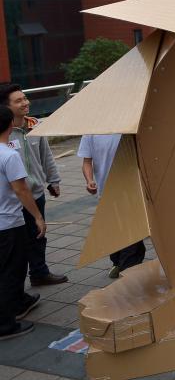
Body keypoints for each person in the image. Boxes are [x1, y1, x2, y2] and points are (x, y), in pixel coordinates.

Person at [0, 83, 67, 286]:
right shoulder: (3, 133)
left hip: (36, 193)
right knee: (17, 243)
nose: (25, 103)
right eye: (18, 101)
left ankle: (39, 273)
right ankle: (16, 290)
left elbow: (46, 156)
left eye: (25, 98)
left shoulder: (34, 125)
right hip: (13, 199)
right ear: (6, 107)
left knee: (39, 235)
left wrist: (53, 180)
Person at [0, 105, 45, 340]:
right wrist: (37, 216)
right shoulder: (9, 155)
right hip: (9, 222)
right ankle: (6, 324)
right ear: (10, 124)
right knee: (11, 272)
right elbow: (21, 190)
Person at [78, 134, 145, 278]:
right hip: (106, 190)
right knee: (115, 230)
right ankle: (119, 262)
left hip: (130, 189)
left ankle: (128, 270)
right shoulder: (90, 133)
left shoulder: (127, 128)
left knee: (131, 231)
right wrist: (89, 180)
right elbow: (87, 161)